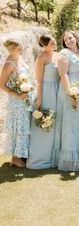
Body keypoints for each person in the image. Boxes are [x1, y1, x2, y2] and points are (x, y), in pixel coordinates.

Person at [52, 30, 79, 171]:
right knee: (70, 123)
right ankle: (69, 159)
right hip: (68, 90)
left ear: (76, 38)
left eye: (70, 38)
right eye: (65, 39)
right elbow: (63, 74)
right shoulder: (65, 53)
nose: (68, 41)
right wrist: (71, 93)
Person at [26, 34, 59, 169]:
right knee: (45, 120)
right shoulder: (41, 57)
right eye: (51, 43)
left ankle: (52, 156)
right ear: (44, 46)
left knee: (55, 123)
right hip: (46, 91)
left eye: (54, 41)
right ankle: (39, 157)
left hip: (57, 90)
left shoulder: (57, 55)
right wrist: (39, 98)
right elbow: (38, 80)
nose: (54, 44)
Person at [0, 39, 31, 167]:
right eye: (19, 49)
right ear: (12, 49)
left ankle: (22, 154)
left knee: (25, 127)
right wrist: (17, 94)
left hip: (25, 98)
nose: (21, 50)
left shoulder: (20, 58)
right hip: (16, 101)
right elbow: (1, 85)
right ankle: (15, 157)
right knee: (18, 127)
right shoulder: (8, 64)